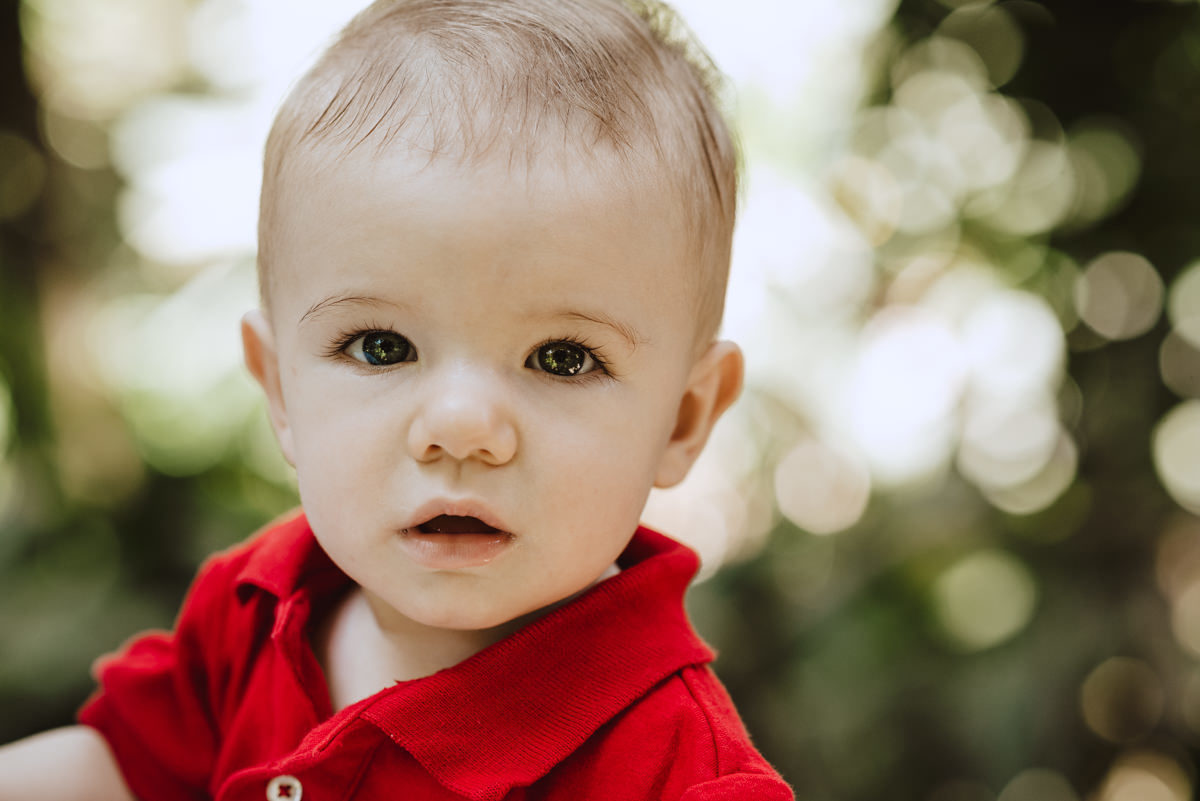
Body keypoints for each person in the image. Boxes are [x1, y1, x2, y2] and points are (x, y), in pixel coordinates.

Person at [0, 0, 793, 798]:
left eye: (561, 358)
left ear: (683, 420)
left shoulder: (675, 772)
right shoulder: (260, 606)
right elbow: (112, 771)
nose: (461, 428)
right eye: (382, 346)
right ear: (280, 387)